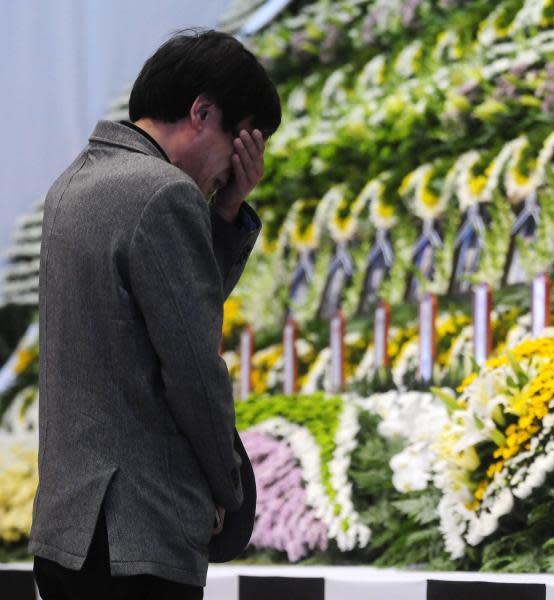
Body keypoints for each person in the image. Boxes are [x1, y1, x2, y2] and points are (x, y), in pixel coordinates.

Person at [29, 29, 281, 599]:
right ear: (202, 111)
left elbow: (167, 304)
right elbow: (193, 368)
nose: (233, 169)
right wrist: (227, 486)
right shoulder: (162, 193)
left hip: (68, 533)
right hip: (139, 537)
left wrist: (227, 208)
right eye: (239, 146)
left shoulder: (72, 185)